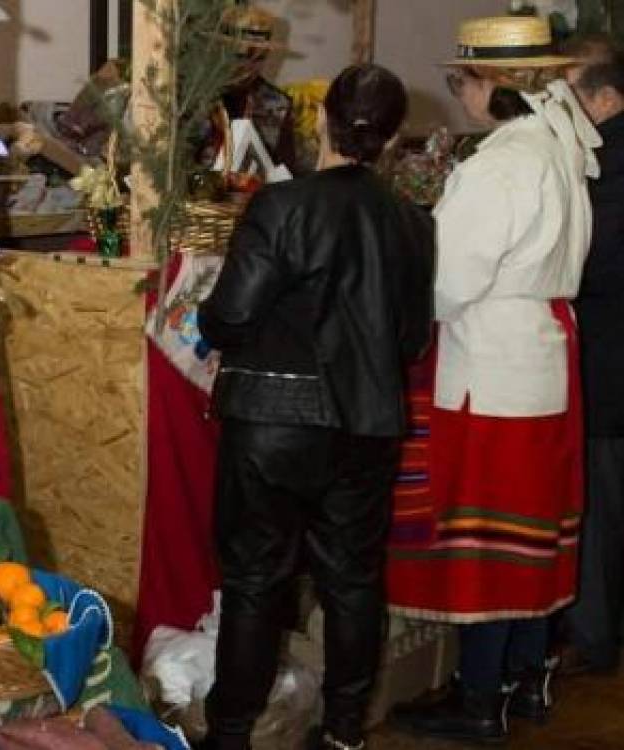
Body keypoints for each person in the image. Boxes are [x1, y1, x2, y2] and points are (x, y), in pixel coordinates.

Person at [197, 64, 434, 750]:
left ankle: (230, 734)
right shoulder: (414, 225)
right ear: (391, 140)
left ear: (319, 120)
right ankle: (342, 732)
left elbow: (228, 317)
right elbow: (412, 339)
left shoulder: (282, 205)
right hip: (366, 424)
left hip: (272, 419)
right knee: (353, 582)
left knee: (253, 583)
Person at [389, 15, 600, 743]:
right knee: (533, 532)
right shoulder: (559, 143)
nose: (459, 94)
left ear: (492, 84)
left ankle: (478, 699)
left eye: (461, 81)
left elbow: (448, 279)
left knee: (489, 540)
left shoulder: (502, 162)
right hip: (538, 353)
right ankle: (520, 682)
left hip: (492, 363)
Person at [562, 34, 624, 675]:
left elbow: (587, 264)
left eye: (569, 92)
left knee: (600, 510)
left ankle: (595, 639)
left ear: (605, 98)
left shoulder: (606, 168)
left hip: (607, 359)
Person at [193, 4, 297, 172]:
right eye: (241, 56)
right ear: (219, 51)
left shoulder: (279, 105)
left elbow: (287, 175)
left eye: (259, 58)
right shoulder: (190, 98)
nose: (249, 67)